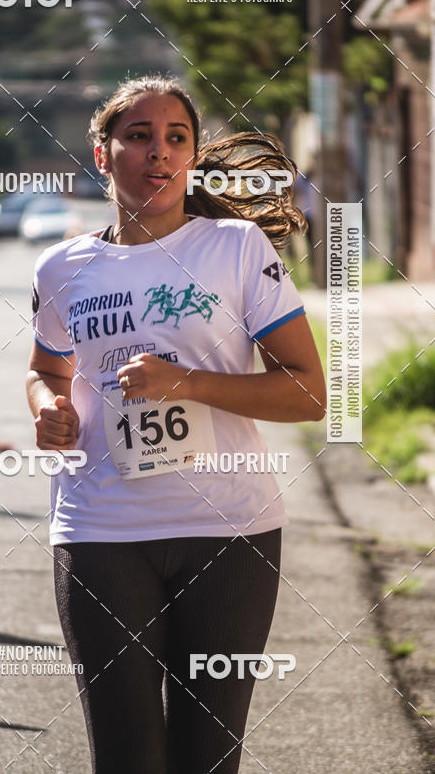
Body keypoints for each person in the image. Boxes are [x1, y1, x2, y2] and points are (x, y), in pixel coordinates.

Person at [26, 75, 326, 774]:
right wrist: (50, 410)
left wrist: (184, 383)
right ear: (103, 155)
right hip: (101, 528)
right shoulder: (62, 266)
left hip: (229, 533)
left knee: (207, 756)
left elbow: (309, 392)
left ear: (191, 156)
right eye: (138, 137)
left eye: (175, 138)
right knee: (126, 755)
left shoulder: (238, 249)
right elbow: (46, 369)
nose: (157, 153)